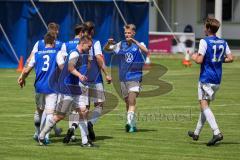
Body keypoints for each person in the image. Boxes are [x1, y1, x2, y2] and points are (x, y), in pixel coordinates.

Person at [38, 35, 94, 147]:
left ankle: (85, 141)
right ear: (83, 43)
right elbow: (70, 68)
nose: (90, 48)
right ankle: (42, 135)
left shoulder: (80, 54)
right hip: (66, 88)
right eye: (89, 46)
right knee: (60, 116)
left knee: (83, 112)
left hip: (74, 87)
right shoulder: (74, 53)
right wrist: (80, 76)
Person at [187, 17, 234, 146]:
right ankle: (196, 133)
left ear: (208, 29)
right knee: (204, 106)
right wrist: (218, 60)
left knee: (204, 106)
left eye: (204, 27)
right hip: (217, 79)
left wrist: (193, 56)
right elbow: (230, 58)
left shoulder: (204, 41)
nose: (203, 29)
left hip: (206, 79)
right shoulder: (223, 42)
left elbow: (199, 61)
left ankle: (216, 132)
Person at [18, 22, 63, 140]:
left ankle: (38, 132)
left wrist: (22, 76)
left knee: (39, 110)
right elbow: (64, 64)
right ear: (56, 32)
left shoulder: (38, 44)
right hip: (53, 84)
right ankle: (45, 136)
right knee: (50, 111)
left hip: (39, 84)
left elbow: (29, 60)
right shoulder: (59, 46)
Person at [104, 24, 148, 133]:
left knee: (132, 101)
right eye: (125, 33)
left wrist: (135, 41)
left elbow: (145, 50)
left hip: (135, 77)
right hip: (123, 78)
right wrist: (109, 43)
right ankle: (132, 124)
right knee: (127, 103)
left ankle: (129, 123)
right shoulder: (120, 44)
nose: (127, 35)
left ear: (133, 33)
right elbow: (107, 50)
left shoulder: (139, 44)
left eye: (129, 33)